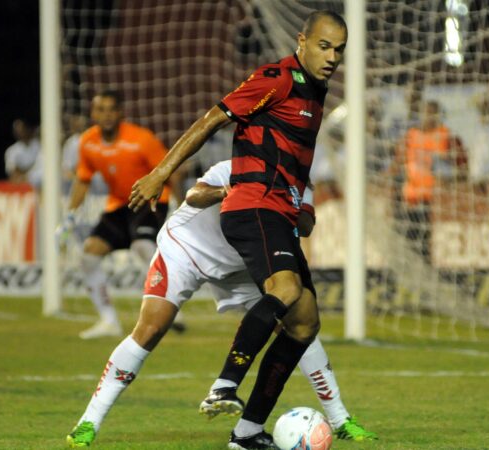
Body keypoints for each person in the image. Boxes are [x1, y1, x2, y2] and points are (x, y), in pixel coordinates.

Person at [128, 10, 348, 449]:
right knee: (286, 290)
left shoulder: (315, 90)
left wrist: (302, 203)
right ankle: (224, 385)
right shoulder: (276, 78)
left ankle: (246, 433)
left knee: (305, 322)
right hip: (253, 203)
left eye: (338, 50)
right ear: (302, 41)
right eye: (324, 46)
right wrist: (161, 172)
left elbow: (294, 158)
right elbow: (212, 119)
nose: (331, 57)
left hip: (281, 209)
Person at [66, 161, 377, 447]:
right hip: (186, 250)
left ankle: (338, 419)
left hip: (242, 263)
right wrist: (226, 192)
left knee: (299, 324)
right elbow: (194, 195)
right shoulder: (238, 167)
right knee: (151, 329)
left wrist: (291, 208)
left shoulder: (300, 184)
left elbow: (306, 225)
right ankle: (88, 422)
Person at [57, 89, 184, 339]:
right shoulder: (87, 142)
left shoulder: (141, 139)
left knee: (143, 246)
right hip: (118, 206)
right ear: (93, 113)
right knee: (89, 254)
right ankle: (108, 321)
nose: (106, 115)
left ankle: (171, 307)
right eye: (100, 110)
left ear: (120, 113)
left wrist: (181, 206)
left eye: (111, 110)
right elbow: (83, 179)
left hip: (149, 201)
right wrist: (69, 217)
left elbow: (172, 171)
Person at [392, 99, 467, 260]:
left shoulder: (449, 138)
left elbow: (463, 171)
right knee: (408, 250)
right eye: (425, 112)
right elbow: (396, 167)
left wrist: (449, 177)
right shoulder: (410, 137)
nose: (428, 116)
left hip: (435, 204)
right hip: (410, 202)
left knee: (428, 251)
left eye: (433, 112)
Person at [4, 117, 42, 187]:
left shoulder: (39, 145)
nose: (20, 132)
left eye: (22, 129)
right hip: (22, 184)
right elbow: (13, 172)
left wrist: (23, 170)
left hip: (39, 182)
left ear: (28, 129)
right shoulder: (12, 150)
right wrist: (31, 168)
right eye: (17, 130)